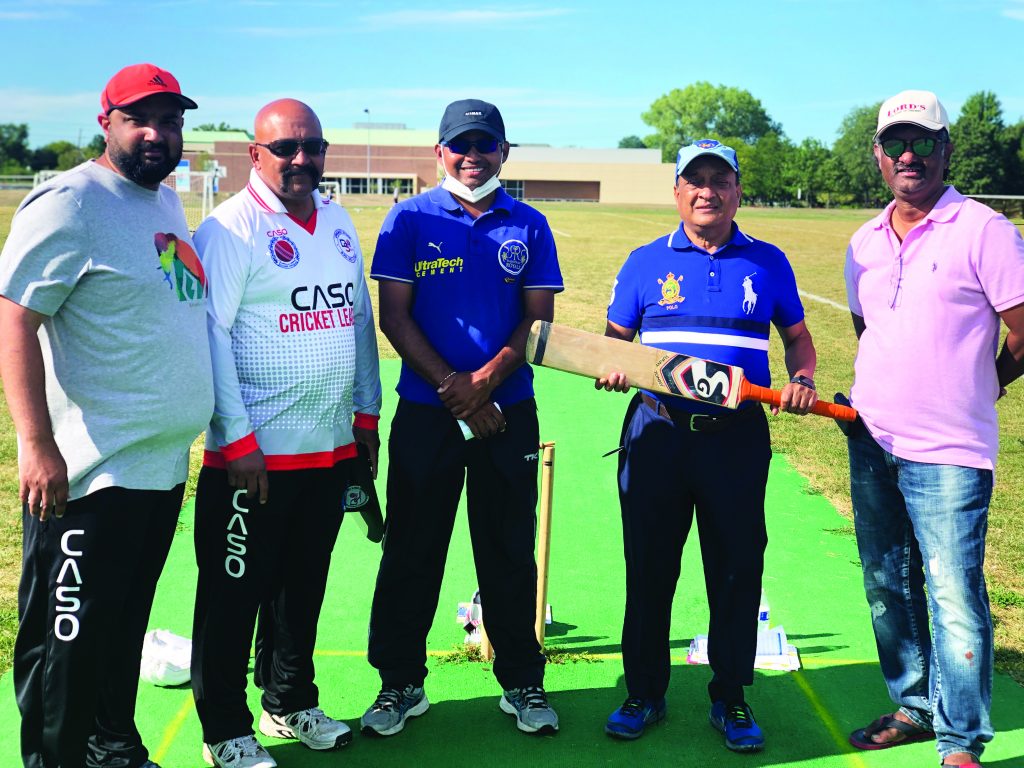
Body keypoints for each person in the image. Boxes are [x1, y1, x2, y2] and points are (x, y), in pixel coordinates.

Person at [0, 63, 213, 768]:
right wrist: (36, 443)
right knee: (67, 646)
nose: (158, 133)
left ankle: (114, 749)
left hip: (156, 469)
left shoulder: (161, 202)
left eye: (171, 120)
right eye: (140, 119)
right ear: (107, 123)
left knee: (123, 628)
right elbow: (14, 319)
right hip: (91, 477)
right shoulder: (69, 203)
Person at [595, 139, 819, 751]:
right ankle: (644, 693)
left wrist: (802, 378)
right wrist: (615, 367)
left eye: (720, 180)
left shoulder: (768, 261)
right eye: (695, 180)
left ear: (737, 190)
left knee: (736, 569)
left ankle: (732, 697)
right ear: (676, 191)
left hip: (737, 438)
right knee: (649, 569)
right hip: (658, 433)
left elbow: (798, 340)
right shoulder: (645, 262)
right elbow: (613, 343)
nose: (707, 191)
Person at [189, 99, 382, 768]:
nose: (300, 160)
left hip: (326, 450)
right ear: (255, 155)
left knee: (303, 585)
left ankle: (289, 700)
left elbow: (356, 320)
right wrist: (236, 440)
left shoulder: (337, 220)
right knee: (232, 591)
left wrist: (366, 415)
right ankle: (223, 728)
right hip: (252, 459)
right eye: (284, 149)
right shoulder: (229, 229)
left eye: (311, 147)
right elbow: (208, 335)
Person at [362, 99, 563, 737]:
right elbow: (394, 316)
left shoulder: (527, 223)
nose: (471, 156)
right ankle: (399, 684)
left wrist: (483, 387)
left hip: (507, 412)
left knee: (507, 547)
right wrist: (455, 388)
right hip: (427, 412)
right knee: (413, 548)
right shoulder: (409, 218)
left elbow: (537, 318)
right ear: (439, 151)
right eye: (459, 145)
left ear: (504, 151)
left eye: (485, 144)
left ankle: (523, 682)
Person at [844, 90, 1024, 768]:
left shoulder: (984, 229)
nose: (908, 154)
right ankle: (914, 707)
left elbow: (1022, 327)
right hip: (872, 439)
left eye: (922, 141)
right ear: (879, 157)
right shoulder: (862, 242)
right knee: (889, 586)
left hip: (949, 450)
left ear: (947, 149)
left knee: (953, 592)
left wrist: (988, 379)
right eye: (895, 144)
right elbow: (869, 333)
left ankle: (962, 739)